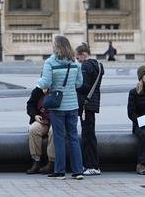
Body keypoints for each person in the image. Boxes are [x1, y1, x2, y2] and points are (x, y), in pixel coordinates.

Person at [37, 36, 84, 179]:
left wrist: (39, 80)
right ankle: (78, 171)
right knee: (73, 137)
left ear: (56, 46)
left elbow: (45, 83)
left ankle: (60, 171)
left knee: (59, 138)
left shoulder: (50, 62)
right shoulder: (75, 62)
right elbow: (79, 83)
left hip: (57, 106)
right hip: (72, 105)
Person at [75, 43, 103, 176]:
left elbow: (84, 86)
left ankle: (91, 166)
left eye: (78, 58)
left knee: (87, 136)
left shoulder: (86, 66)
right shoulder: (98, 65)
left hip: (86, 104)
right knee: (90, 134)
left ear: (84, 55)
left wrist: (74, 85)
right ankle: (93, 164)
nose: (78, 61)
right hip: (93, 102)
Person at [23, 85, 54, 174]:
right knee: (33, 129)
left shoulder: (59, 87)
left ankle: (51, 162)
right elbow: (30, 105)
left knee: (53, 132)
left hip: (56, 121)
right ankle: (36, 161)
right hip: (42, 120)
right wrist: (35, 115)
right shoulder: (38, 90)